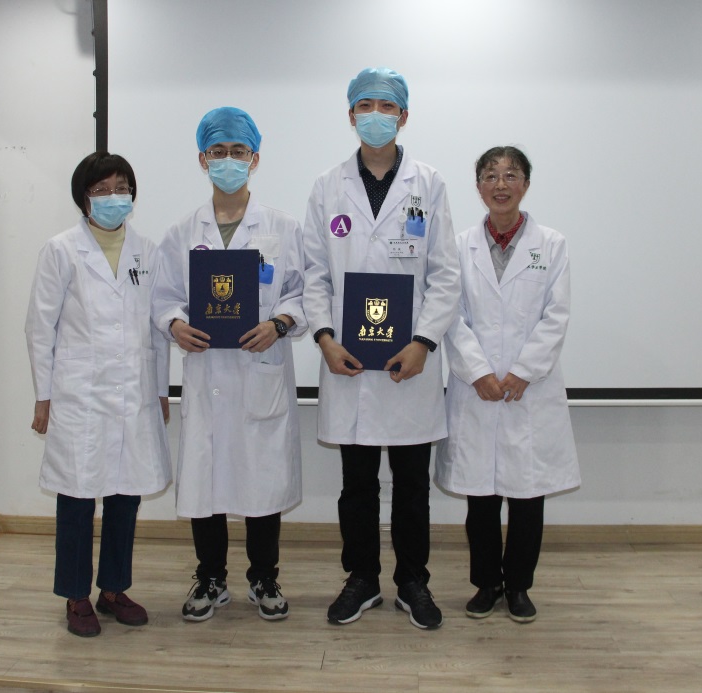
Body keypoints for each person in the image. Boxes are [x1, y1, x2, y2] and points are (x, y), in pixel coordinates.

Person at [303, 67, 460, 630]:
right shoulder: (327, 187)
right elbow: (314, 274)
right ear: (350, 115)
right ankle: (362, 579)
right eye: (365, 105)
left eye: (386, 106)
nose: (376, 115)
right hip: (347, 360)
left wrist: (423, 342)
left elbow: (446, 273)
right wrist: (324, 338)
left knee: (413, 485)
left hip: (409, 364)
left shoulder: (429, 183)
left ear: (404, 116)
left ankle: (413, 582)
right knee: (357, 485)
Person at [153, 107, 305, 622]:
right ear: (202, 159)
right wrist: (175, 324)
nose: (228, 160)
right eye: (217, 152)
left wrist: (279, 323)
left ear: (255, 159)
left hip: (259, 368)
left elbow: (303, 293)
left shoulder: (282, 227)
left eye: (238, 152)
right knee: (206, 480)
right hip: (206, 374)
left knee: (263, 480)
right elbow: (164, 298)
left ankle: (264, 578)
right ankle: (210, 578)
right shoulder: (182, 231)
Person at [25, 152, 172, 637]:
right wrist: (43, 396)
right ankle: (75, 596)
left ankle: (113, 590)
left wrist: (160, 389)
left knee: (126, 495)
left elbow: (157, 328)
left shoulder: (147, 251)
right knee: (77, 497)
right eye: (102, 189)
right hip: (79, 395)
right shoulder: (61, 250)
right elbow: (39, 327)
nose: (114, 197)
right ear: (84, 197)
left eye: (121, 187)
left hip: (134, 391)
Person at [435, 146, 581, 623]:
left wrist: (523, 371)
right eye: (491, 176)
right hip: (476, 387)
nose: (501, 184)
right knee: (481, 497)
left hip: (528, 389)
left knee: (527, 496)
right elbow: (449, 313)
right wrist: (477, 371)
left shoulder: (551, 244)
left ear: (526, 184)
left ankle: (518, 586)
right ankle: (486, 584)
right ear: (478, 187)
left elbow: (556, 315)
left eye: (511, 175)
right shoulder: (458, 246)